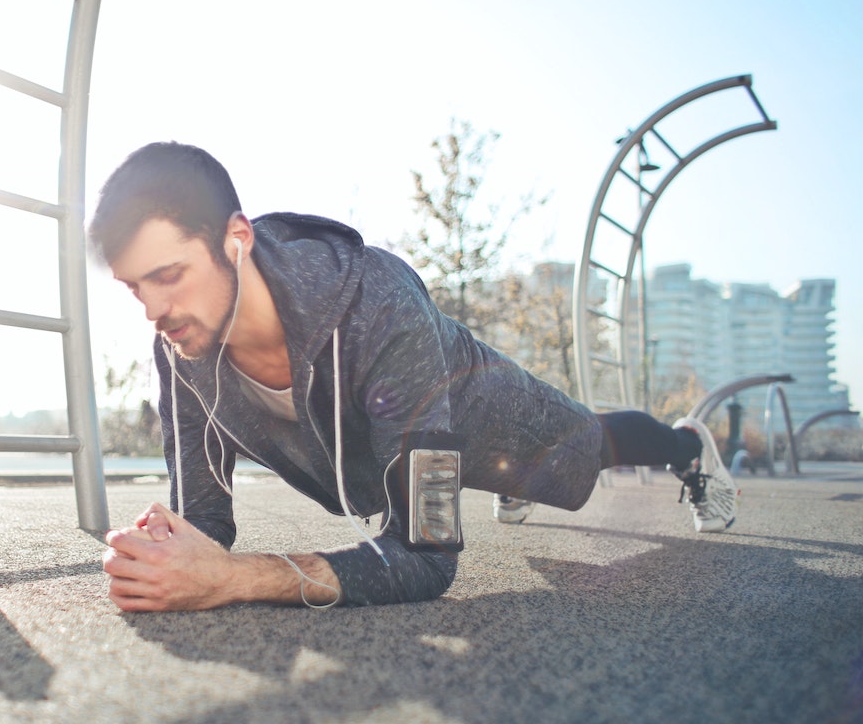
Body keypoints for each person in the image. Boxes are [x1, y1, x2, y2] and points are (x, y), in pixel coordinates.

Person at [90, 142, 738, 612]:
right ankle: (512, 483)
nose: (153, 311)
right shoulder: (181, 343)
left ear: (237, 239)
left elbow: (425, 557)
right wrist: (164, 554)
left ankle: (688, 444)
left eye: (169, 276)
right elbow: (206, 519)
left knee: (588, 451)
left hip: (490, 421)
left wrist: (235, 578)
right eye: (134, 288)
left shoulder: (380, 304)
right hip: (398, 453)